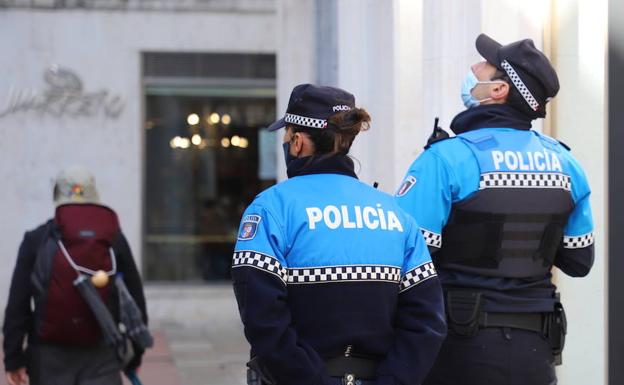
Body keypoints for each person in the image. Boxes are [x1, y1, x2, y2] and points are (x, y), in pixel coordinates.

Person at [395, 34, 595, 385]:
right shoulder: (567, 164)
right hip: (536, 351)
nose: (473, 69)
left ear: (499, 89)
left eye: (483, 65)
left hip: (458, 349)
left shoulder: (446, 159)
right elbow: (579, 261)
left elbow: (403, 260)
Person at [231, 84, 446, 385]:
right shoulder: (396, 213)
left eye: (286, 134)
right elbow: (426, 321)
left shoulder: (270, 209)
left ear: (297, 141)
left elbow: (263, 319)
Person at [3, 166, 148, 385]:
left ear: (57, 196)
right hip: (102, 352)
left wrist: (14, 359)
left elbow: (17, 304)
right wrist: (134, 353)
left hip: (48, 357)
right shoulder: (113, 239)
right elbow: (135, 298)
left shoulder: (37, 239)